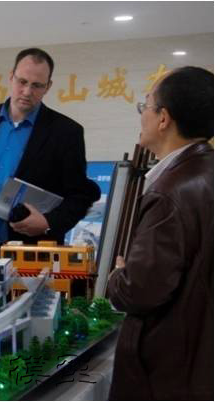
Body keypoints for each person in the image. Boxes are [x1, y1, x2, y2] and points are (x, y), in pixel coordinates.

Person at [0, 47, 100, 300]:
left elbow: (80, 195)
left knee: (24, 326)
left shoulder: (66, 132)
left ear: (48, 87)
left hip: (28, 263)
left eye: (37, 85)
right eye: (22, 82)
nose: (27, 91)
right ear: (11, 77)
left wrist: (48, 222)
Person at [107, 66, 213, 400]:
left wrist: (118, 277)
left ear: (163, 118)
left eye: (146, 106)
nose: (143, 115)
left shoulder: (170, 192)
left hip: (164, 370)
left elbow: (140, 290)